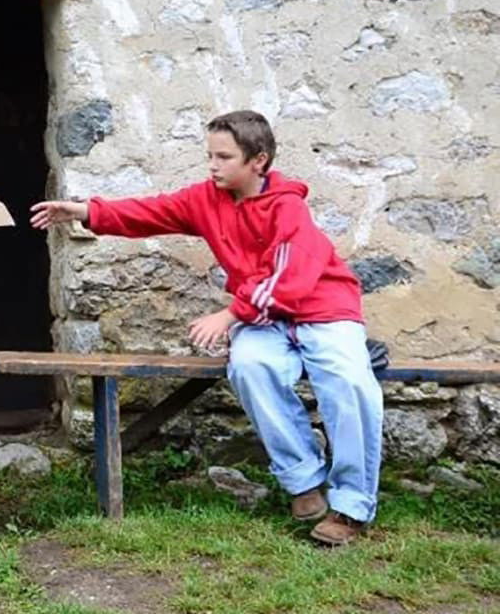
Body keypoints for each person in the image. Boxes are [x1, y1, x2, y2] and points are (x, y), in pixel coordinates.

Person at [30, 110, 382, 546]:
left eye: (224, 157)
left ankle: (351, 507)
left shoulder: (288, 207)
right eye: (210, 155)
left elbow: (289, 276)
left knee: (349, 382)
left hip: (324, 310)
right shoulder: (206, 199)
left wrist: (231, 315)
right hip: (263, 319)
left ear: (259, 160)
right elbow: (153, 211)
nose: (212, 165)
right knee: (249, 366)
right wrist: (85, 211)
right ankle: (304, 481)